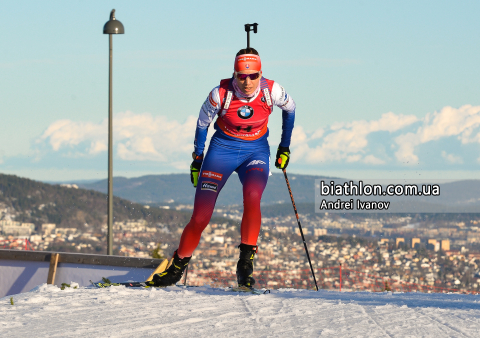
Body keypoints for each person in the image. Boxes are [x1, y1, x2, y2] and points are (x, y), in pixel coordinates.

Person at [152, 47, 296, 288]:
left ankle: (245, 265)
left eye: (253, 76)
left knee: (252, 197)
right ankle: (177, 267)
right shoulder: (219, 94)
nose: (247, 82)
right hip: (222, 150)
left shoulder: (273, 90)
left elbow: (291, 109)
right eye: (241, 76)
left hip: (256, 151)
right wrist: (197, 158)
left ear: (261, 74)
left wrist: (284, 147)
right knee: (200, 216)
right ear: (234, 74)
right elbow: (202, 124)